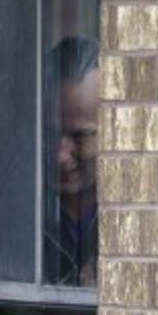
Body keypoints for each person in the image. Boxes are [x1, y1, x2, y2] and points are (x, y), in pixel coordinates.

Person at [44, 36, 100, 287]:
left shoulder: (142, 222)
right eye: (51, 133)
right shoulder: (15, 222)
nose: (60, 155)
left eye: (80, 136)